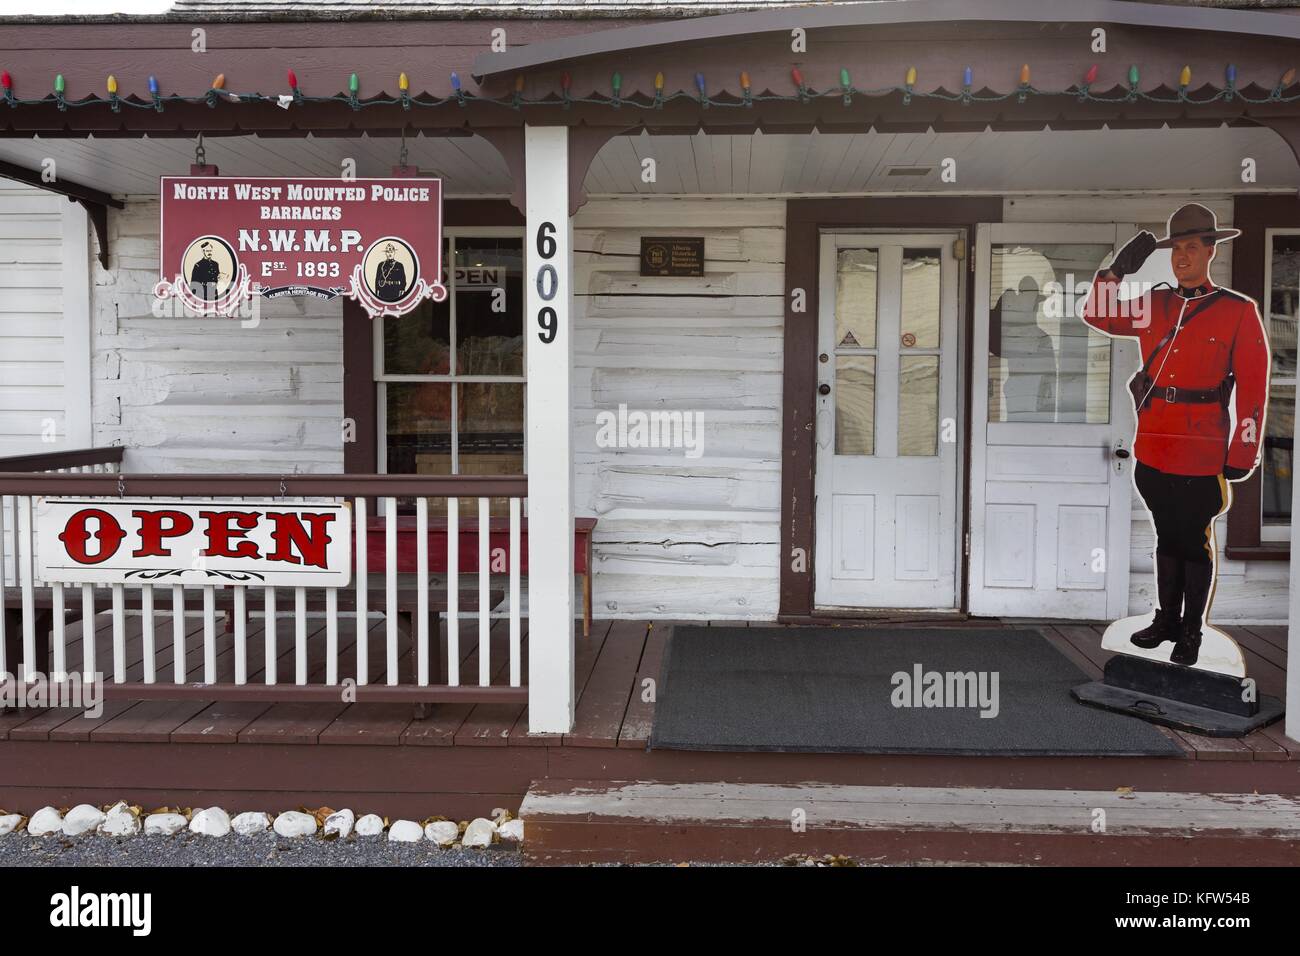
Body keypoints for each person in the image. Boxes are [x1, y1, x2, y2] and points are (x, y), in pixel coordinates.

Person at [1082, 203, 1269, 667]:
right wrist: (1116, 271)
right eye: (1176, 249)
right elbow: (1097, 315)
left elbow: (1253, 386)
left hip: (1203, 450)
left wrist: (1243, 449)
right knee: (1166, 536)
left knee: (1192, 540)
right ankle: (1166, 620)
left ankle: (1191, 631)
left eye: (1192, 247)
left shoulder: (1237, 311)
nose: (1182, 257)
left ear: (1210, 251)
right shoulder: (1155, 305)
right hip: (1154, 446)